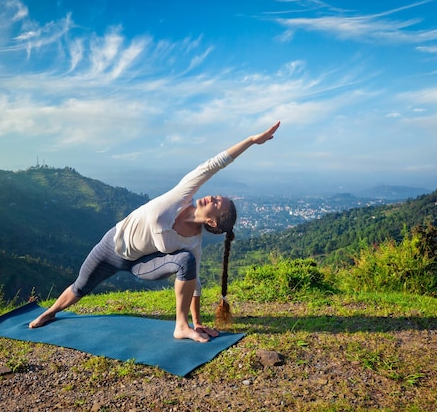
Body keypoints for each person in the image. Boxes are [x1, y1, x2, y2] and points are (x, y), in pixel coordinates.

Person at [29, 121, 281, 343]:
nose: (212, 198)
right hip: (112, 245)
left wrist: (196, 321)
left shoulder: (192, 242)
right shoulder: (182, 195)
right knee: (80, 287)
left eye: (217, 204)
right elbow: (212, 165)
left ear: (213, 223)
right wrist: (250, 141)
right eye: (216, 196)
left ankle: (181, 327)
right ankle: (50, 312)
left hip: (141, 263)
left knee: (186, 261)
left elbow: (195, 283)